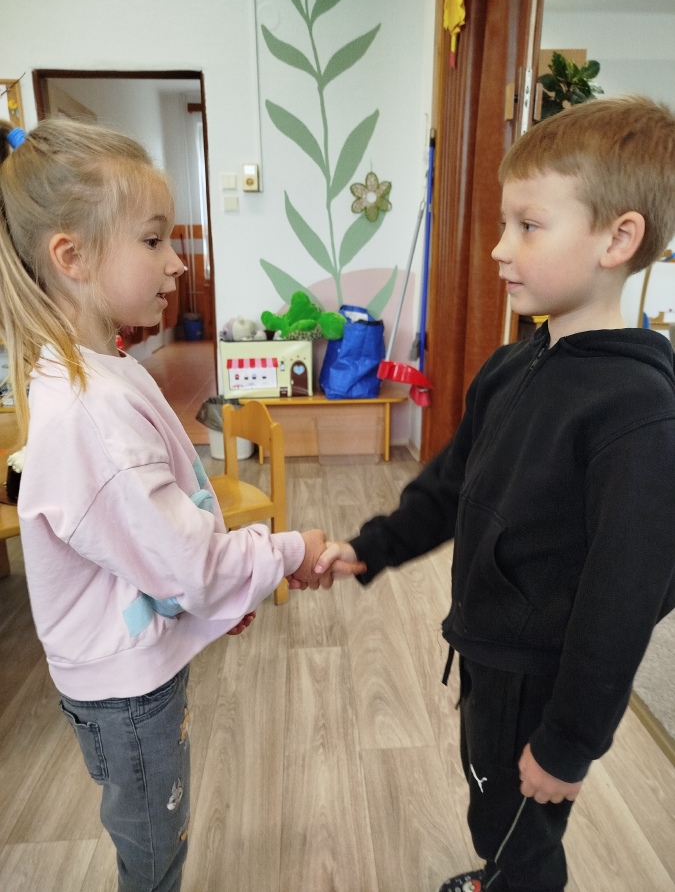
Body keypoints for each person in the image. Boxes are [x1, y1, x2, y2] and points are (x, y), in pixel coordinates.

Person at [304, 95, 675, 892]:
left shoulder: (637, 412)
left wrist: (568, 741)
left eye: (528, 226)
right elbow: (448, 484)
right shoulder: (512, 366)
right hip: (487, 647)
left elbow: (625, 597)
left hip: (542, 677)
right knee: (490, 799)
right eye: (504, 222)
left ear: (617, 239)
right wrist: (370, 547)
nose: (499, 248)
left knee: (516, 828)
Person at [0, 117, 329, 892]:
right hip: (126, 696)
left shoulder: (99, 371)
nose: (176, 261)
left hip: (129, 676)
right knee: (155, 854)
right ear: (72, 256)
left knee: (155, 836)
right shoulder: (91, 411)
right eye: (152, 240)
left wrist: (207, 603)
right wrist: (285, 552)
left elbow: (151, 546)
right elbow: (188, 562)